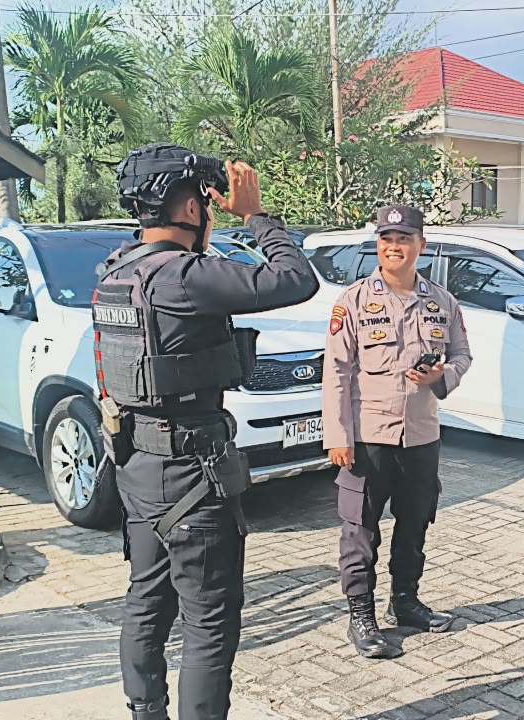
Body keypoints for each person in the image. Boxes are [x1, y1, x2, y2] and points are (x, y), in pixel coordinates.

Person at [93, 142, 318, 720]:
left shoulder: (118, 273)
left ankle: (145, 711)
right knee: (208, 624)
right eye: (206, 203)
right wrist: (255, 215)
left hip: (138, 468)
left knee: (147, 599)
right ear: (191, 207)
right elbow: (295, 279)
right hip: (193, 475)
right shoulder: (185, 278)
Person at [321, 205, 473, 659]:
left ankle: (405, 602)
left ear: (420, 246)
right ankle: (361, 615)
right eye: (387, 238)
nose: (394, 246)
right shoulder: (352, 301)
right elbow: (336, 371)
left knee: (414, 523)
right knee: (361, 529)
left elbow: (463, 355)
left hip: (422, 435)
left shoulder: (441, 301)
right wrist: (337, 434)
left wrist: (442, 376)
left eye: (404, 238)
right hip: (368, 436)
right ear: (378, 245)